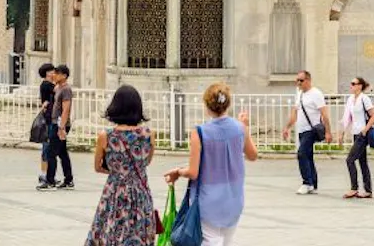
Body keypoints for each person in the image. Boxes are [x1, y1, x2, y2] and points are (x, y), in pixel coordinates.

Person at [166, 83, 258, 246]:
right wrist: (245, 127)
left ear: (207, 105)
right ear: (228, 104)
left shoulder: (200, 132)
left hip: (208, 203)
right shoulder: (239, 128)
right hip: (234, 201)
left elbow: (193, 172)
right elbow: (253, 155)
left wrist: (178, 171)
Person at [85, 85, 155, 245]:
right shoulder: (148, 134)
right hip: (140, 192)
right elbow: (147, 162)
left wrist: (118, 172)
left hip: (115, 192)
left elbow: (98, 167)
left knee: (111, 231)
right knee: (139, 233)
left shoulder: (106, 136)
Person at [281, 70, 330, 195]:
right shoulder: (299, 93)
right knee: (308, 156)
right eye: (297, 80)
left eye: (301, 80)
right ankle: (313, 184)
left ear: (308, 80)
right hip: (301, 130)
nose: (298, 83)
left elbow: (324, 114)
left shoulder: (316, 94)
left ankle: (306, 183)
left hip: (311, 130)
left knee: (301, 154)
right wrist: (287, 127)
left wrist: (328, 132)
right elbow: (294, 112)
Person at [338, 76, 374, 199]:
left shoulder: (365, 98)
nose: (351, 86)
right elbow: (347, 118)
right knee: (362, 162)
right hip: (356, 133)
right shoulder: (350, 99)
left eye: (354, 83)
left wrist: (365, 130)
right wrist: (342, 133)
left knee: (349, 160)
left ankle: (354, 188)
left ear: (360, 86)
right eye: (351, 83)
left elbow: (373, 116)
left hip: (362, 134)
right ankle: (368, 190)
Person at [39, 64, 75, 191]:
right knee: (62, 153)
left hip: (60, 124)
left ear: (64, 76)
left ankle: (50, 182)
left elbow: (66, 110)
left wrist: (61, 127)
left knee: (51, 152)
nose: (54, 75)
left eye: (57, 73)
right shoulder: (58, 88)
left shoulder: (66, 90)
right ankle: (68, 180)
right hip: (56, 122)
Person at [36, 62, 56, 187]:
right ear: (48, 73)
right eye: (53, 71)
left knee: (47, 147)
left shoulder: (46, 85)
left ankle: (47, 174)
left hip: (49, 118)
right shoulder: (47, 85)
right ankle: (44, 174)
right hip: (48, 119)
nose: (54, 73)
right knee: (46, 148)